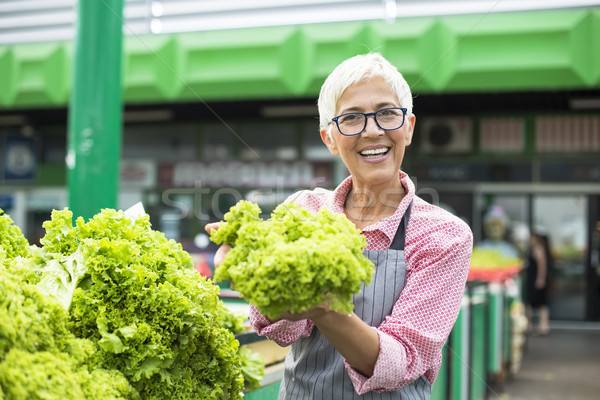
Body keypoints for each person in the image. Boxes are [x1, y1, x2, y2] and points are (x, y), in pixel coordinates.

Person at [206, 53, 473, 399]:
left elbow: (402, 360)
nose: (373, 130)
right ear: (329, 138)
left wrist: (323, 308)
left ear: (408, 127)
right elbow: (283, 329)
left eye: (388, 113)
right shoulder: (303, 210)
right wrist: (252, 273)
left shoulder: (443, 236)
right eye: (351, 118)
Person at [525, 232, 553, 336]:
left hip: (536, 280)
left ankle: (541, 326)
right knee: (537, 304)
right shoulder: (534, 249)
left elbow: (542, 265)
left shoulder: (538, 249)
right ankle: (538, 326)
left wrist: (540, 279)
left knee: (538, 303)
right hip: (534, 279)